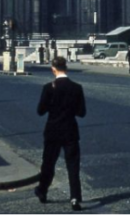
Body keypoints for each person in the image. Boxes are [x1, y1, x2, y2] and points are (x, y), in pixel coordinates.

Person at [34, 56, 86, 212]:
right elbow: (81, 112)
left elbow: (40, 111)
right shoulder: (77, 88)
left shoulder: (49, 88)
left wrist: (53, 105)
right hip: (70, 130)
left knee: (48, 163)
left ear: (53, 69)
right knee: (73, 166)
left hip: (53, 130)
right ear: (66, 68)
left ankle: (42, 190)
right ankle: (75, 197)